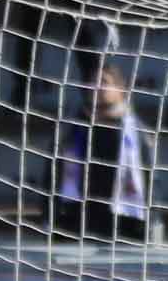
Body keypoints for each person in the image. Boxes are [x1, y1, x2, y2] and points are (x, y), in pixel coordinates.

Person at [54, 63, 150, 242]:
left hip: (124, 227)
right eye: (93, 82)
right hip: (77, 225)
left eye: (104, 82)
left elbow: (151, 181)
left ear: (121, 89)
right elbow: (53, 176)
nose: (97, 87)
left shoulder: (134, 130)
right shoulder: (73, 127)